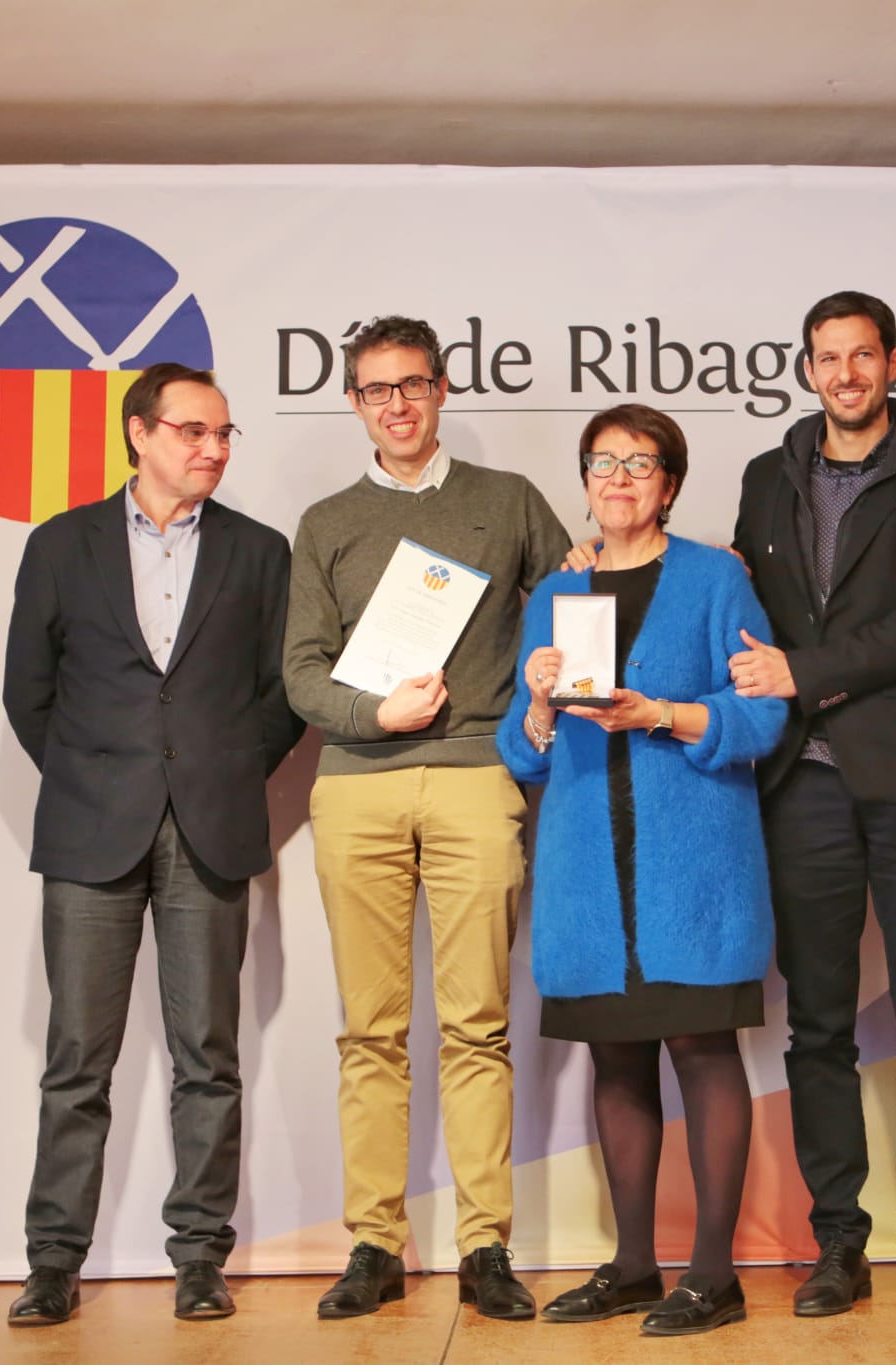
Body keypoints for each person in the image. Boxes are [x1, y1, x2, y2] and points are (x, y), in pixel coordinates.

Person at [1, 362, 305, 1326]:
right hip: (90, 830)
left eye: (223, 435)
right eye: (193, 431)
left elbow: (281, 695)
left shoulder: (261, 552)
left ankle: (200, 1256)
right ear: (140, 433)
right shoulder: (63, 544)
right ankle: (53, 1260)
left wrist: (214, 768)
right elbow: (28, 691)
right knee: (76, 1058)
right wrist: (99, 773)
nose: (212, 448)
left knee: (207, 1055)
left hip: (209, 829)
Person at [283, 316, 570, 1321]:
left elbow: (573, 598)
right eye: (373, 389)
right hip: (355, 784)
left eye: (410, 384)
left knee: (476, 1025)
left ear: (442, 389)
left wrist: (547, 689)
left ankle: (483, 1245)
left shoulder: (507, 503)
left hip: (472, 778)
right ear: (354, 403)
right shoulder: (326, 522)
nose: (395, 403)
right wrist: (375, 713)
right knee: (368, 1029)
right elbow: (299, 673)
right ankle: (374, 1241)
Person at [728, 290, 896, 1319]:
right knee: (818, 1027)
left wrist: (805, 671)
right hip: (801, 783)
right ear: (805, 369)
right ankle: (836, 1242)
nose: (843, 374)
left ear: (893, 362)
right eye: (825, 358)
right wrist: (600, 571)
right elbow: (734, 600)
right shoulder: (766, 477)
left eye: (861, 356)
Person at [500, 404, 786, 1337]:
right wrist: (540, 703)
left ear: (670, 483)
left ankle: (712, 1274)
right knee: (616, 1058)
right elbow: (523, 751)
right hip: (590, 871)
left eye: (641, 462)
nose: (619, 476)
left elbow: (760, 720)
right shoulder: (556, 594)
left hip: (692, 865)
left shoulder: (715, 581)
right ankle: (631, 1264)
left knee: (703, 1054)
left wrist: (661, 713)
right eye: (602, 462)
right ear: (584, 480)